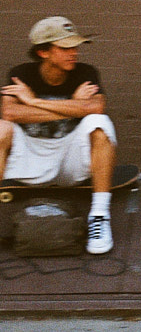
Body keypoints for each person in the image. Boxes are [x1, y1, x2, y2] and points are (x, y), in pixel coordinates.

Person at [0, 17, 118, 254]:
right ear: (43, 52)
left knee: (99, 123)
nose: (73, 53)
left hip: (69, 161)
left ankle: (99, 216)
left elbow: (95, 108)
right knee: (1, 127)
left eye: (75, 47)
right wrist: (74, 105)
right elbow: (10, 113)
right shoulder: (20, 74)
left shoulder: (85, 73)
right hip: (29, 159)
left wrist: (33, 101)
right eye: (65, 48)